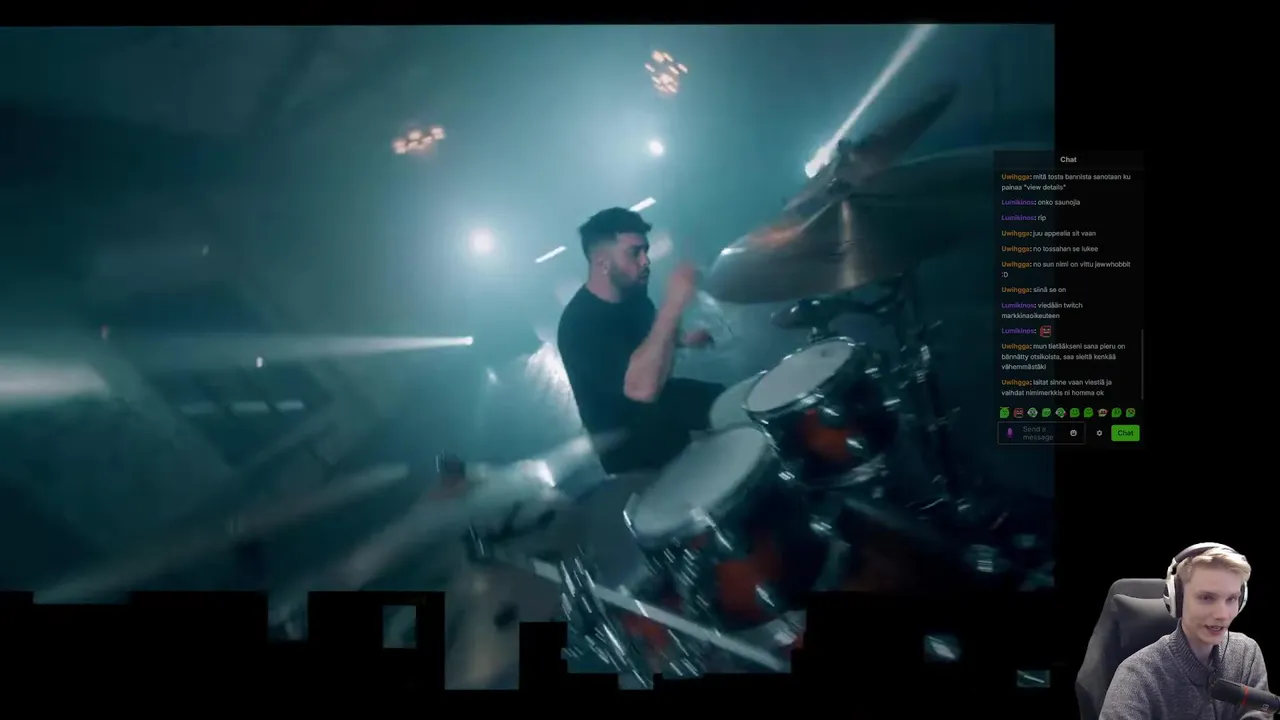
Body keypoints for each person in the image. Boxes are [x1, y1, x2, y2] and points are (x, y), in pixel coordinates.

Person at [557, 207, 723, 475]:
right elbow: (642, 389)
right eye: (634, 253)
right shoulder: (579, 325)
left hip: (659, 405)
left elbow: (649, 337)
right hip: (627, 442)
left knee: (727, 401)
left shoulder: (633, 293)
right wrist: (673, 305)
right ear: (601, 262)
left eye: (645, 251)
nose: (646, 261)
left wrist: (683, 340)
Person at [1100, 543, 1270, 720]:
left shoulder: (1246, 654)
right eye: (1206, 598)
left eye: (1232, 598)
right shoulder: (1136, 677)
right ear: (1177, 599)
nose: (1222, 614)